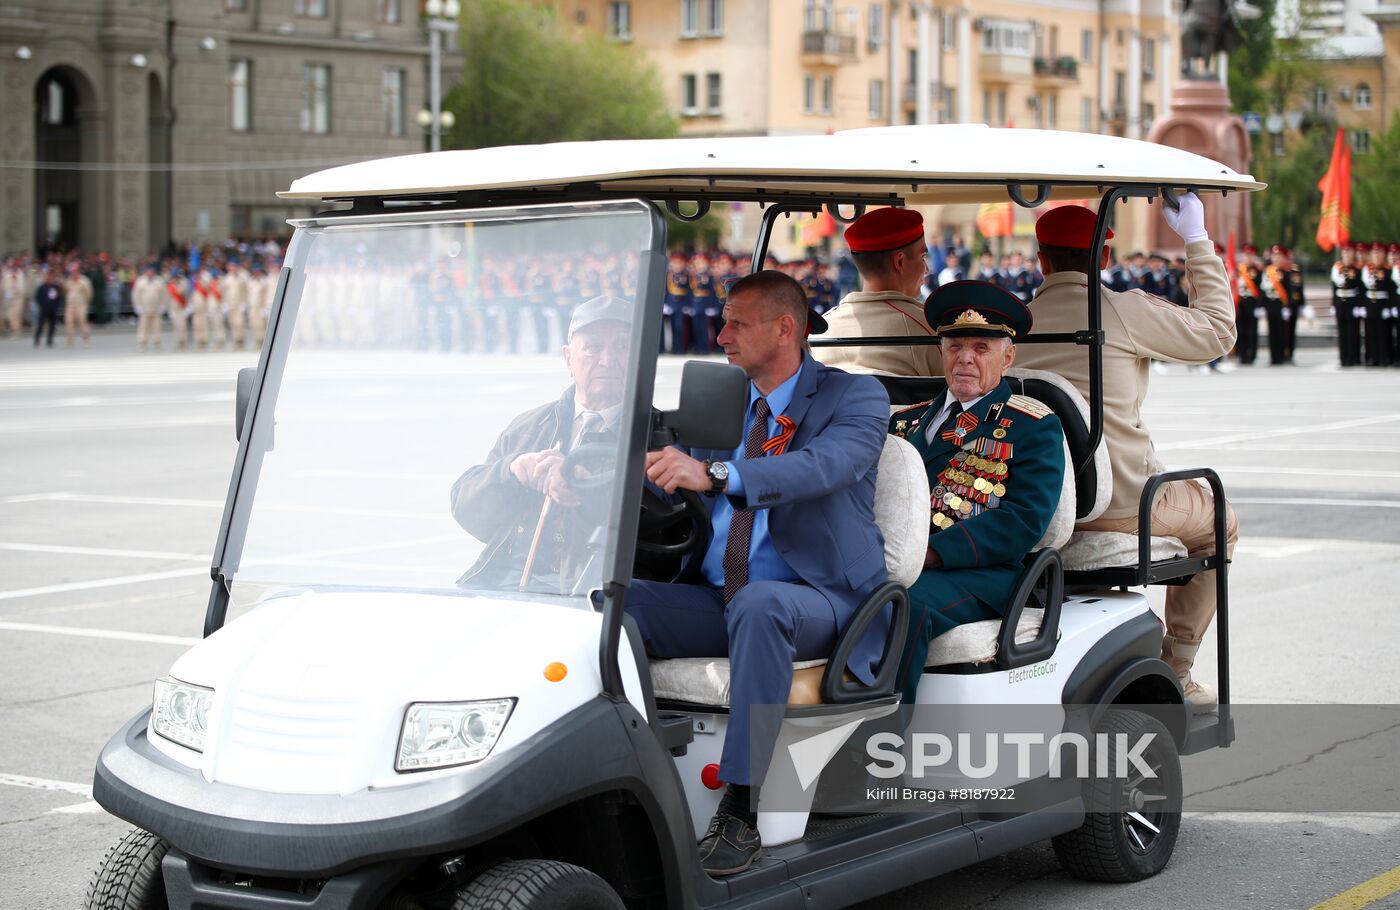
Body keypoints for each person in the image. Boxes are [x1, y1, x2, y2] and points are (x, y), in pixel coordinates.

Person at [630, 270, 890, 876]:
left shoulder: (853, 397)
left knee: (762, 605)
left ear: (784, 328)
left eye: (736, 323)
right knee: (616, 604)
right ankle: (622, 763)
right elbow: (680, 494)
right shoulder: (723, 402)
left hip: (821, 601)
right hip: (722, 595)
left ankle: (743, 808)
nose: (721, 336)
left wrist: (720, 475)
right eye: (722, 322)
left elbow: (824, 466)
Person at [1013, 197, 1237, 707]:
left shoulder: (1014, 325)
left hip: (1042, 503)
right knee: (1220, 520)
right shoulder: (1123, 309)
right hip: (1123, 505)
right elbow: (1219, 332)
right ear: (1105, 258)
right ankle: (1176, 666)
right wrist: (1196, 239)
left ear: (1042, 260)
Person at [891, 281, 1065, 703]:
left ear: (1009, 357)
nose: (965, 358)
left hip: (981, 572)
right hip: (896, 559)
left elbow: (1023, 519)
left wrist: (932, 554)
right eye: (954, 346)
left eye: (982, 348)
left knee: (902, 607)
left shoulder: (1031, 424)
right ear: (941, 352)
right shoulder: (904, 422)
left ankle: (879, 747)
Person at [450, 295, 632, 593]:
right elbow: (467, 509)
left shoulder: (657, 437)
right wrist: (512, 472)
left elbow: (658, 535)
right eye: (593, 347)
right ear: (568, 358)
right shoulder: (531, 426)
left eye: (623, 347)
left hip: (590, 594)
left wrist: (584, 488)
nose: (608, 360)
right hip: (503, 582)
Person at [815, 207, 942, 376]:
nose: (926, 269)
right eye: (922, 257)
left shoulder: (821, 332)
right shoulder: (928, 330)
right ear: (900, 262)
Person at [1260, 244, 1302, 365]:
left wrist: (1288, 307)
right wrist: (1262, 306)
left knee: (1281, 332)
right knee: (1272, 331)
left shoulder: (1287, 272)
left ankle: (1281, 355)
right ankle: (1273, 357)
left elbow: (1290, 291)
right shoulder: (1268, 271)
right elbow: (1263, 290)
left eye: (1279, 256)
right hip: (1270, 304)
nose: (1276, 259)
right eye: (1274, 256)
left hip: (1281, 305)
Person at [1362, 241, 1396, 367]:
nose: (1377, 256)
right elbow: (1362, 291)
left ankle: (1384, 357)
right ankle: (1372, 357)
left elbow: (1391, 291)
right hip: (1370, 303)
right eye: (1374, 253)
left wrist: (1389, 307)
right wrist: (1363, 305)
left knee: (1384, 333)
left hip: (1383, 304)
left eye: (1379, 253)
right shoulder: (1368, 270)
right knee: (1371, 332)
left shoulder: (1387, 271)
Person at [1331, 242, 1364, 367]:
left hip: (1352, 302)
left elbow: (1361, 289)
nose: (1346, 254)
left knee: (1353, 332)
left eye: (1349, 252)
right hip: (1340, 302)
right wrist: (1333, 304)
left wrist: (1359, 305)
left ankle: (1354, 357)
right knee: (1342, 331)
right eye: (1344, 252)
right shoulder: (1337, 268)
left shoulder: (1357, 269)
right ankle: (1343, 357)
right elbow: (1334, 288)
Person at [1235, 243, 1263, 366]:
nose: (1248, 258)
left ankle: (1252, 355)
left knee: (1252, 331)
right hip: (1241, 303)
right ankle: (1242, 355)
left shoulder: (1257, 271)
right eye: (1246, 255)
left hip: (1253, 303)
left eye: (1251, 255)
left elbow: (1261, 289)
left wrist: (1260, 306)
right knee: (1241, 330)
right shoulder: (1238, 270)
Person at [132, 263, 165, 352]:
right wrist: (137, 306)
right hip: (144, 309)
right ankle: (142, 344)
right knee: (143, 328)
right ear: (146, 272)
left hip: (156, 309)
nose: (150, 273)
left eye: (152, 271)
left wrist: (162, 305)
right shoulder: (140, 281)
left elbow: (163, 294)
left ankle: (157, 344)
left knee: (157, 328)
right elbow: (136, 295)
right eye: (149, 271)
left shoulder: (159, 281)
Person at [63, 264, 93, 346]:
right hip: (70, 305)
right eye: (72, 272)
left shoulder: (84, 280)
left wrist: (86, 302)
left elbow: (89, 293)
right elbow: (65, 291)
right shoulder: (68, 280)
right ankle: (70, 341)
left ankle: (86, 340)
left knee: (82, 322)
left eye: (75, 271)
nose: (73, 273)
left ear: (78, 271)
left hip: (81, 305)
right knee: (68, 322)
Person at [32, 268, 63, 347]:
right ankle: (37, 340)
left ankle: (49, 341)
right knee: (40, 325)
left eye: (51, 277)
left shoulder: (56, 287)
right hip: (44, 309)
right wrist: (42, 305)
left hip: (53, 310)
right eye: (48, 277)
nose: (50, 278)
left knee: (52, 326)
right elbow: (37, 297)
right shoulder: (42, 287)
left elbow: (59, 298)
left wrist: (56, 307)